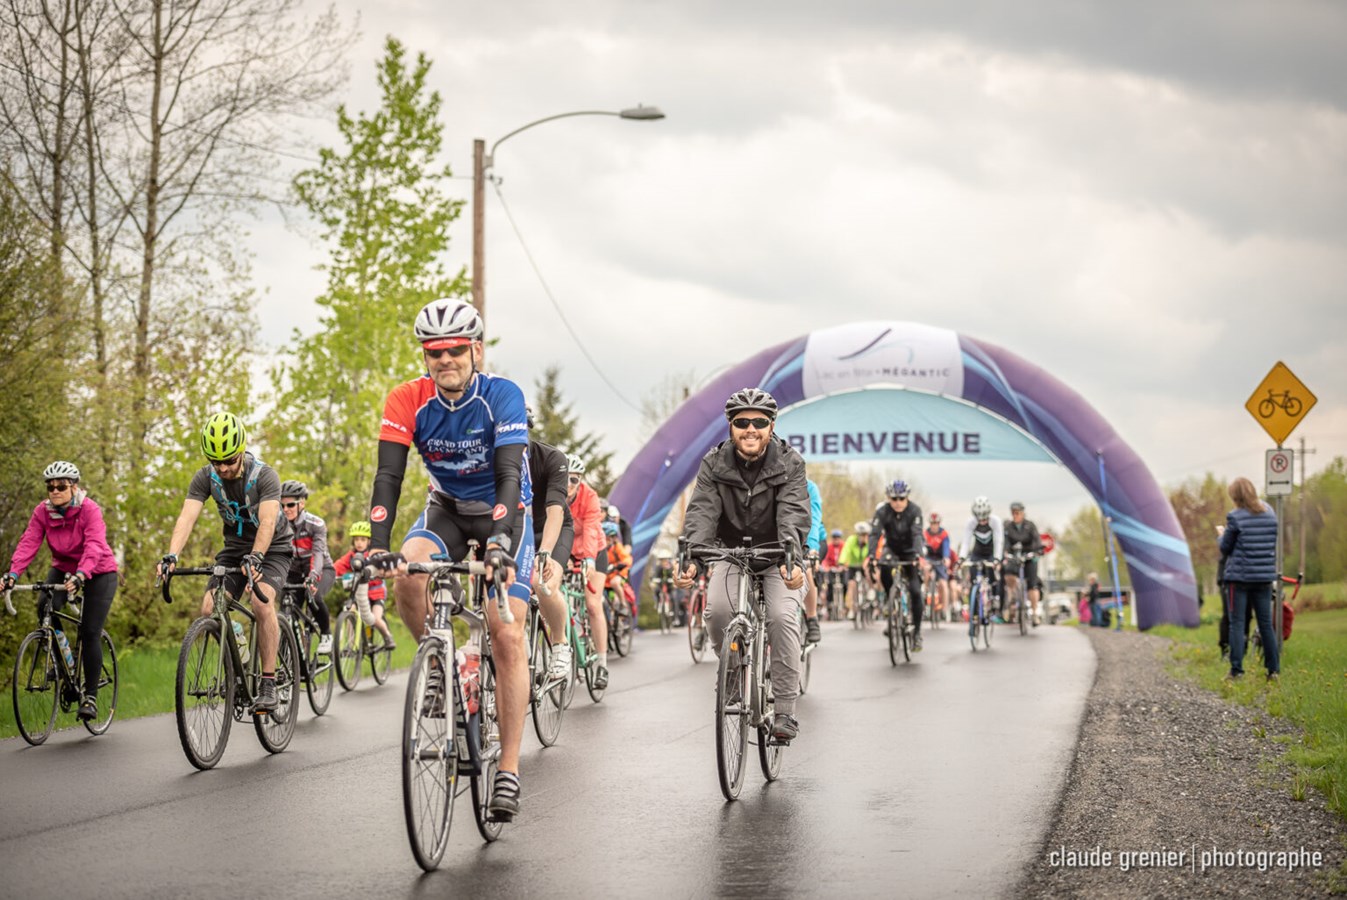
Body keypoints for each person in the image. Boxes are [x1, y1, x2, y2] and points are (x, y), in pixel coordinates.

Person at [364, 297, 533, 822]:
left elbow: (509, 474)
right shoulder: (406, 400)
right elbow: (388, 478)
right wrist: (376, 545)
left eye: (456, 350)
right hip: (448, 511)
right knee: (409, 575)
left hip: (506, 513)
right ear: (425, 356)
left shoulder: (501, 396)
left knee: (505, 633)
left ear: (475, 350)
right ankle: (440, 659)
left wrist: (502, 544)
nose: (445, 360)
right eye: (434, 352)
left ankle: (507, 769)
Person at [673, 387, 809, 743]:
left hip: (780, 555)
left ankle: (784, 710)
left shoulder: (790, 462)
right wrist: (693, 559)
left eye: (759, 422)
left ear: (771, 425)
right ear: (730, 426)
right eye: (742, 422)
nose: (751, 429)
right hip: (732, 552)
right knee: (717, 611)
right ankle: (732, 675)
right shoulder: (714, 463)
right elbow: (702, 511)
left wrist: (792, 558)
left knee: (781, 617)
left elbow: (793, 512)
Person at [158, 413, 293, 713]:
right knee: (209, 608)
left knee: (261, 604)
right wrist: (172, 555)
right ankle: (242, 658)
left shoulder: (264, 476)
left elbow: (268, 522)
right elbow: (187, 517)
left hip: (272, 549)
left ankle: (269, 682)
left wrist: (257, 558)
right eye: (216, 461)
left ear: (242, 450)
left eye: (229, 460)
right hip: (234, 549)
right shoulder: (206, 477)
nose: (223, 468)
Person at [3, 461, 119, 722]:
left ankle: (90, 697)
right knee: (44, 607)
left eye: (61, 486)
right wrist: (12, 575)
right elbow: (28, 543)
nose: (55, 491)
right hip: (64, 568)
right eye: (50, 487)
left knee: (89, 631)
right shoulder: (42, 512)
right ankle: (62, 660)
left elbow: (95, 545)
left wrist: (81, 575)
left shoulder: (90, 509)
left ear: (74, 487)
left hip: (99, 570)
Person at [525, 417, 576, 684]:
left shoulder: (550, 458)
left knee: (542, 582)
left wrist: (544, 552)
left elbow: (555, 509)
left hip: (552, 528)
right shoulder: (493, 457)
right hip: (518, 530)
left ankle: (559, 643)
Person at [1219, 476, 1279, 681]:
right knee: (1265, 624)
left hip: (1239, 579)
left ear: (1235, 497)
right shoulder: (1270, 513)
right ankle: (1273, 670)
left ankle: (1236, 670)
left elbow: (1225, 548)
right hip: (1263, 577)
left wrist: (1221, 533)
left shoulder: (1235, 517)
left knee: (1236, 623)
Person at [866, 479, 926, 650]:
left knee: (915, 591)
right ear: (888, 498)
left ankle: (917, 634)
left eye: (901, 499)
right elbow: (875, 534)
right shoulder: (883, 511)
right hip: (891, 549)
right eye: (894, 499)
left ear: (907, 497)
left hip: (910, 551)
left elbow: (917, 534)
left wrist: (918, 555)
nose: (898, 503)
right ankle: (890, 598)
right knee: (883, 566)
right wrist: (871, 556)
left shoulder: (915, 510)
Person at [566, 454, 609, 688]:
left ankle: (602, 664)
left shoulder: (589, 496)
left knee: (593, 604)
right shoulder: (554, 493)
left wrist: (589, 559)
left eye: (573, 480)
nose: (568, 485)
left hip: (594, 551)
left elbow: (592, 530)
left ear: (580, 480)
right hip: (567, 551)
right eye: (565, 479)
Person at [280, 480, 336, 653]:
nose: (286, 509)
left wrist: (313, 575)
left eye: (290, 504)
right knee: (284, 608)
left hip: (321, 568)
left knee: (314, 596)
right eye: (282, 505)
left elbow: (318, 554)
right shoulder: (279, 524)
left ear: (301, 503)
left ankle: (326, 633)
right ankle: (290, 652)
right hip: (294, 571)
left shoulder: (315, 524)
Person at [332, 521, 395, 649]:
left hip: (376, 593)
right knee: (350, 611)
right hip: (359, 592)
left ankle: (387, 637)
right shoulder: (351, 556)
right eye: (356, 540)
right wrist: (329, 574)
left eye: (362, 540)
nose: (359, 543)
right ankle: (350, 645)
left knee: (375, 618)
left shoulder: (374, 556)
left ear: (369, 541)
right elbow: (337, 566)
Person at [957, 497, 1003, 618]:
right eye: (979, 518)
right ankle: (975, 611)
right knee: (973, 578)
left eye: (984, 518)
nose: (982, 521)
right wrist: (961, 558)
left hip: (991, 553)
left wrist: (997, 559)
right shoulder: (971, 522)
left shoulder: (995, 521)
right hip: (977, 552)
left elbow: (999, 541)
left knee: (993, 575)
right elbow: (966, 542)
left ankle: (994, 598)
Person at [1002, 501, 1045, 626]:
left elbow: (1037, 540)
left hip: (1029, 557)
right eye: (1013, 513)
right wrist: (1005, 552)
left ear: (1022, 513)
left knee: (1032, 584)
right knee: (1009, 575)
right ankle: (1013, 596)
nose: (1015, 515)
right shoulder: (1009, 527)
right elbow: (1005, 542)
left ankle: (1035, 613)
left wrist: (1037, 551)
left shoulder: (1030, 526)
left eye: (1017, 513)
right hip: (1014, 557)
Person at [801, 478, 826, 644]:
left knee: (806, 567)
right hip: (782, 537)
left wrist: (811, 547)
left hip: (811, 536)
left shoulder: (810, 487)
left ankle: (812, 618)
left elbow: (814, 519)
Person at [921, 512, 952, 622]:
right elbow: (922, 548)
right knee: (925, 571)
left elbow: (946, 548)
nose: (934, 525)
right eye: (932, 523)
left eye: (936, 523)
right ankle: (924, 592)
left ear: (939, 523)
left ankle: (944, 609)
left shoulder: (943, 534)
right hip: (929, 559)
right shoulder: (925, 534)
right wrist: (923, 560)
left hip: (940, 559)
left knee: (943, 583)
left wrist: (946, 558)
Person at [839, 521, 871, 619]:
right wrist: (842, 562)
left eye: (865, 535)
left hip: (864, 565)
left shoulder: (870, 541)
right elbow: (846, 550)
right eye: (861, 535)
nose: (863, 537)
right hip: (853, 565)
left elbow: (872, 553)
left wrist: (869, 561)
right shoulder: (851, 540)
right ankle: (852, 609)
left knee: (868, 572)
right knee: (851, 585)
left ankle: (870, 591)